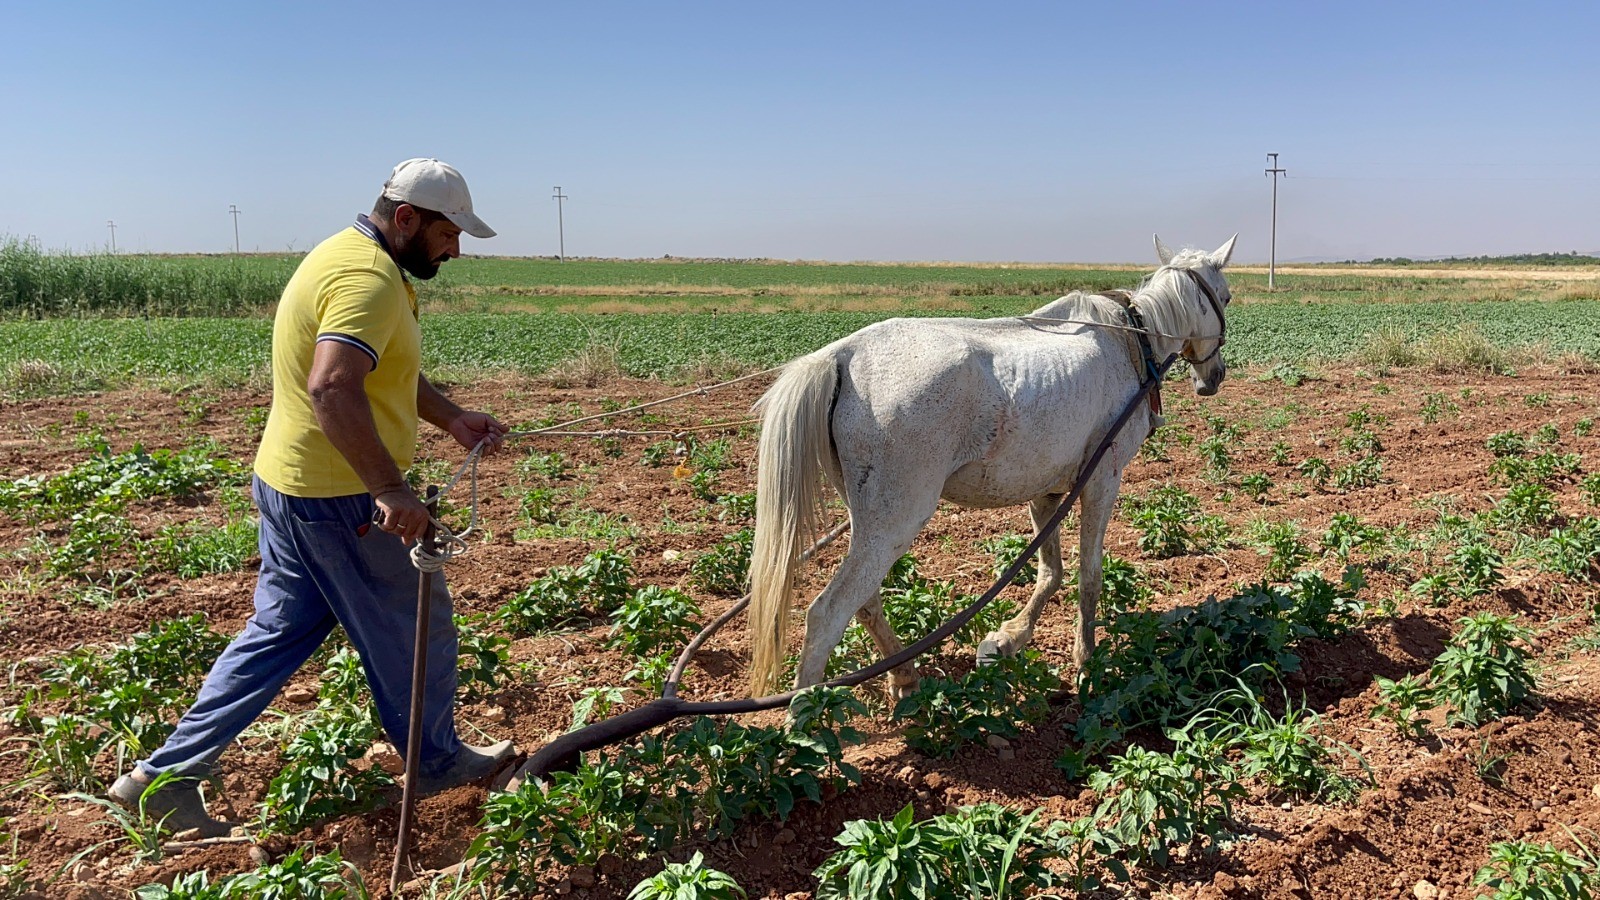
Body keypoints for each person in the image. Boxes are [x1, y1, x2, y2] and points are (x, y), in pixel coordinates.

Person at [109, 159, 515, 836]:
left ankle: (162, 780)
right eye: (448, 233)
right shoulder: (368, 279)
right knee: (420, 626)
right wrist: (388, 487)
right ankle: (438, 762)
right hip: (341, 499)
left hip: (290, 484)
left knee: (278, 634)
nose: (455, 248)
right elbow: (332, 386)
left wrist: (448, 417)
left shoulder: (347, 255)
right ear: (407, 219)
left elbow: (377, 368)